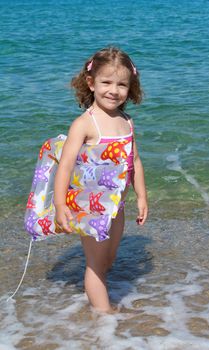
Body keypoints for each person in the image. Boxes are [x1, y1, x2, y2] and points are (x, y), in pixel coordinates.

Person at [54, 47, 148, 313]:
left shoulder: (127, 122)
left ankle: (98, 301)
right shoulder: (84, 124)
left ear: (131, 87)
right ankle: (105, 322)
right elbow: (65, 166)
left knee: (109, 258)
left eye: (122, 84)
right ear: (91, 82)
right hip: (90, 206)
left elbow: (135, 161)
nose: (114, 90)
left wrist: (141, 196)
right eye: (106, 82)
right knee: (95, 264)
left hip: (116, 207)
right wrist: (61, 205)